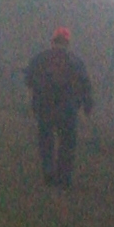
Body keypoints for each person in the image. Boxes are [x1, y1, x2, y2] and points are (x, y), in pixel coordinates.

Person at [24, 26, 95, 187]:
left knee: (46, 141)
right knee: (67, 144)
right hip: (68, 109)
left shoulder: (41, 58)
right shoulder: (75, 61)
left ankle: (48, 171)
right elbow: (85, 84)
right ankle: (64, 178)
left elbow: (28, 79)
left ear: (53, 41)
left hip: (45, 106)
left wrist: (38, 92)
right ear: (68, 43)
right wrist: (87, 104)